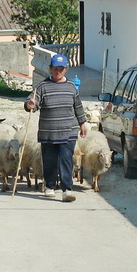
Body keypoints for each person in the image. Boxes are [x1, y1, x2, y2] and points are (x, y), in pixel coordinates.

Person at [24, 54, 88, 202]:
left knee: (66, 159)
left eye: (61, 69)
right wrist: (30, 104)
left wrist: (82, 123)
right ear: (50, 69)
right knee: (50, 160)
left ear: (66, 69)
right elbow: (33, 101)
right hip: (49, 132)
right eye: (55, 69)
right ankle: (50, 185)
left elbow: (78, 106)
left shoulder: (71, 86)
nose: (57, 71)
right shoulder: (42, 86)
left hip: (68, 130)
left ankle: (67, 189)